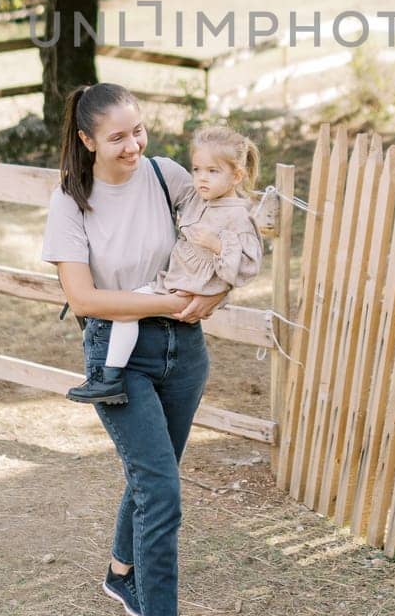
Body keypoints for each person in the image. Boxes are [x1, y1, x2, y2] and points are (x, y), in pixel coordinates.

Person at [39, 82, 227, 616]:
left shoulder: (166, 174)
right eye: (117, 137)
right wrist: (171, 301)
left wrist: (212, 296)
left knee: (154, 474)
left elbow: (221, 238)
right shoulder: (71, 203)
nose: (133, 145)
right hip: (118, 358)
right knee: (162, 491)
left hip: (183, 353)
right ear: (88, 140)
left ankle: (122, 573)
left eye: (138, 130)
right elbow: (84, 298)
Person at [65, 122, 263, 405]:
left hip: (189, 288)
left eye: (213, 171)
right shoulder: (200, 201)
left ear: (237, 176)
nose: (201, 178)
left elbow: (249, 264)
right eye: (197, 169)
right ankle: (108, 373)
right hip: (176, 281)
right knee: (127, 309)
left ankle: (108, 376)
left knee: (126, 309)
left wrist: (217, 246)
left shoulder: (239, 216)